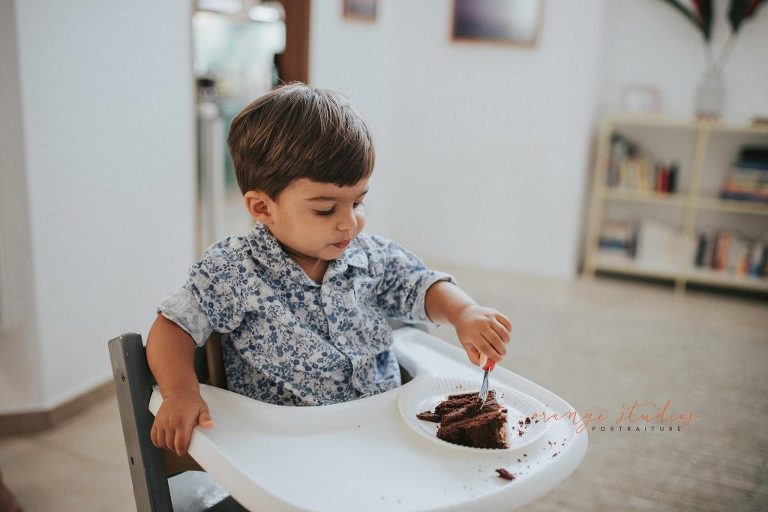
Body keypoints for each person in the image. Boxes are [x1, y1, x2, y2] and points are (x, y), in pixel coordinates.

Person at [147, 83, 512, 457]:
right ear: (262, 208)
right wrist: (181, 392)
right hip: (290, 449)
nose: (349, 223)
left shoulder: (369, 255)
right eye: (326, 210)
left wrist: (464, 312)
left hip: (383, 433)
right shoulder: (234, 269)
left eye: (358, 202)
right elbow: (172, 327)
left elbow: (420, 285)